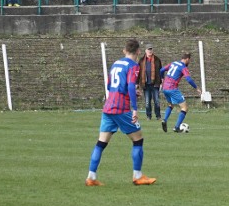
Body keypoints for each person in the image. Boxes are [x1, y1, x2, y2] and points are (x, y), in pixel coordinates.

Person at [85, 39, 156, 186]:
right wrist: (135, 108)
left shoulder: (116, 63)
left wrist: (128, 92)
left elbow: (110, 85)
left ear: (124, 51)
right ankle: (138, 176)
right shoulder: (133, 66)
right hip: (121, 109)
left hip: (108, 107)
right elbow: (130, 85)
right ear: (138, 52)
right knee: (138, 140)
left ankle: (91, 177)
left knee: (101, 143)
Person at [161, 52, 199, 133]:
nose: (189, 62)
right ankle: (177, 127)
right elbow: (188, 79)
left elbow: (161, 70)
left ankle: (164, 120)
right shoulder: (183, 67)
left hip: (165, 88)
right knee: (184, 108)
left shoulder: (173, 63)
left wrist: (162, 79)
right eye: (189, 61)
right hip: (172, 88)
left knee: (171, 104)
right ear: (187, 59)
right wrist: (197, 88)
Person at [138, 44, 163, 121]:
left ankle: (158, 116)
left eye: (151, 49)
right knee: (147, 102)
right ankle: (149, 116)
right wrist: (137, 83)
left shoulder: (157, 59)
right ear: (145, 51)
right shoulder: (141, 60)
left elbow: (161, 70)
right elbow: (138, 72)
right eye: (148, 49)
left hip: (155, 84)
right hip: (145, 84)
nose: (150, 51)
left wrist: (162, 79)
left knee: (157, 101)